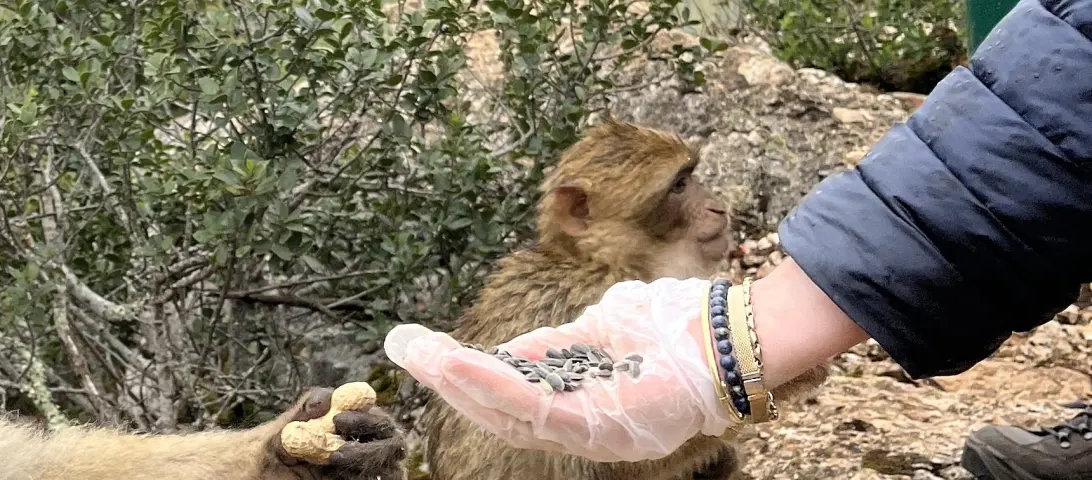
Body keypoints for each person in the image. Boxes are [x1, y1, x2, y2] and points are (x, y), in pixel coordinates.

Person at [381, 0, 1092, 478]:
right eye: (676, 193)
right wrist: (741, 396)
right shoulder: (557, 309)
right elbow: (595, 454)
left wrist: (751, 373)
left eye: (694, 180)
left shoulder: (662, 290)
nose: (712, 209)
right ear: (579, 216)